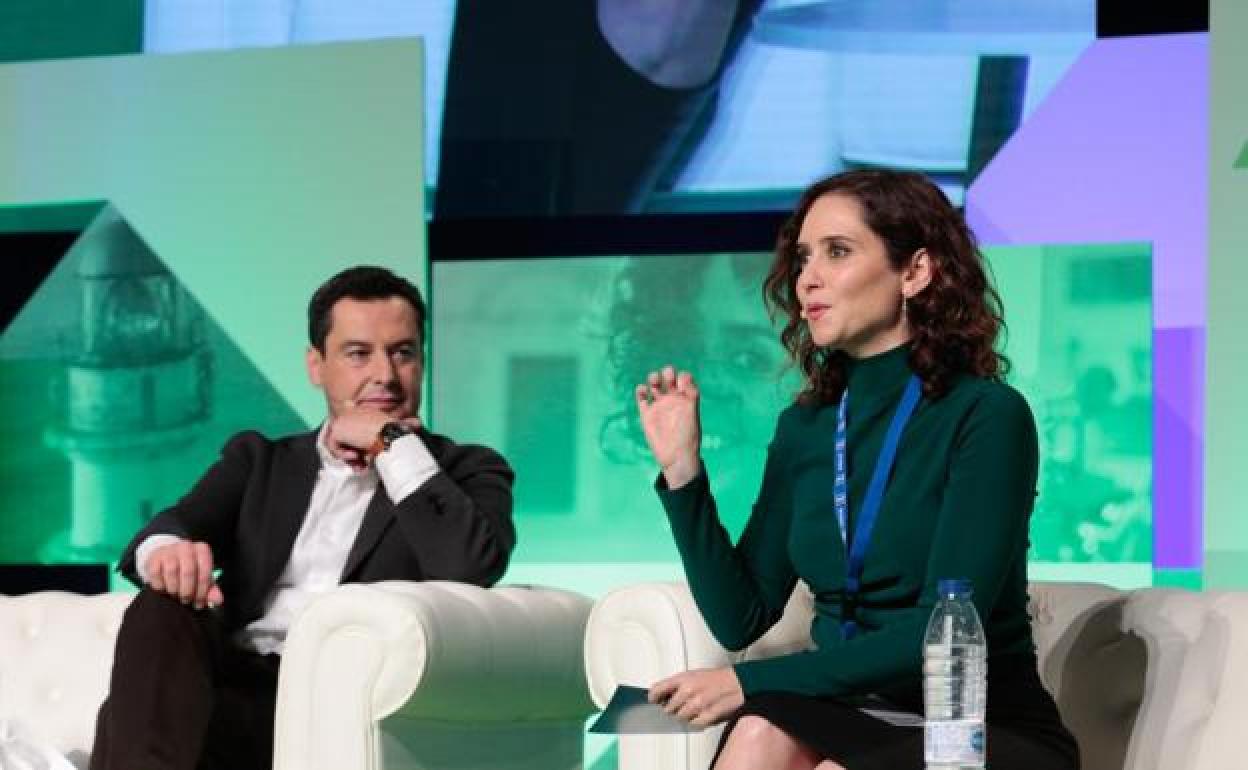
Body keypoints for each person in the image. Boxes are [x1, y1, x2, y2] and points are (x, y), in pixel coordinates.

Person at [634, 170, 1079, 769]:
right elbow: (741, 616)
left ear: (915, 272)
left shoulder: (986, 416)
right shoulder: (808, 426)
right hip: (854, 710)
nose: (808, 278)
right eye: (802, 258)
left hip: (974, 723)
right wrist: (684, 472)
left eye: (837, 252)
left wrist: (749, 684)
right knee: (758, 734)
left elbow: (940, 631)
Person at [89, 266, 515, 770]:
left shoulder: (467, 470)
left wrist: (391, 445)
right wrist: (168, 554)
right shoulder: (261, 461)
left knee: (134, 723)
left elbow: (470, 566)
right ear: (317, 365)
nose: (385, 373)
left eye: (403, 352)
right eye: (359, 354)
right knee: (161, 606)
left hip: (341, 702)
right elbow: (167, 528)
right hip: (230, 686)